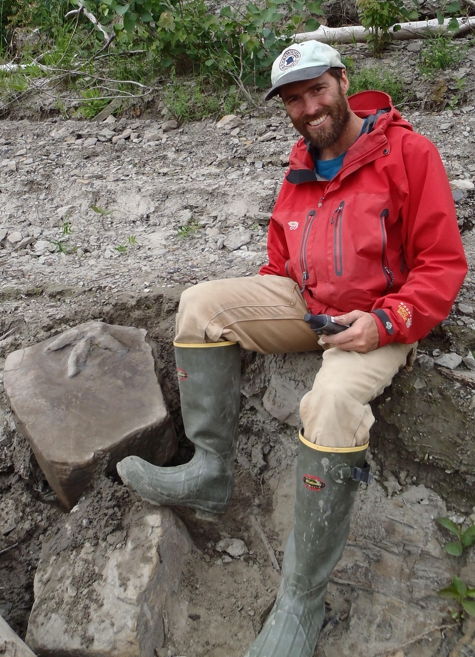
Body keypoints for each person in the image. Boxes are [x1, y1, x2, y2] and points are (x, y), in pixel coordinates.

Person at [117, 40, 467, 657]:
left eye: (316, 90)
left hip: (378, 317)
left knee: (330, 402)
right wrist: (256, 305)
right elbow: (281, 259)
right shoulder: (301, 165)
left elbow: (441, 265)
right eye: (293, 99)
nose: (308, 107)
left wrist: (385, 324)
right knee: (201, 303)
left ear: (342, 79)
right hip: (308, 304)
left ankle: (301, 601)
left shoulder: (408, 153)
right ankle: (209, 472)